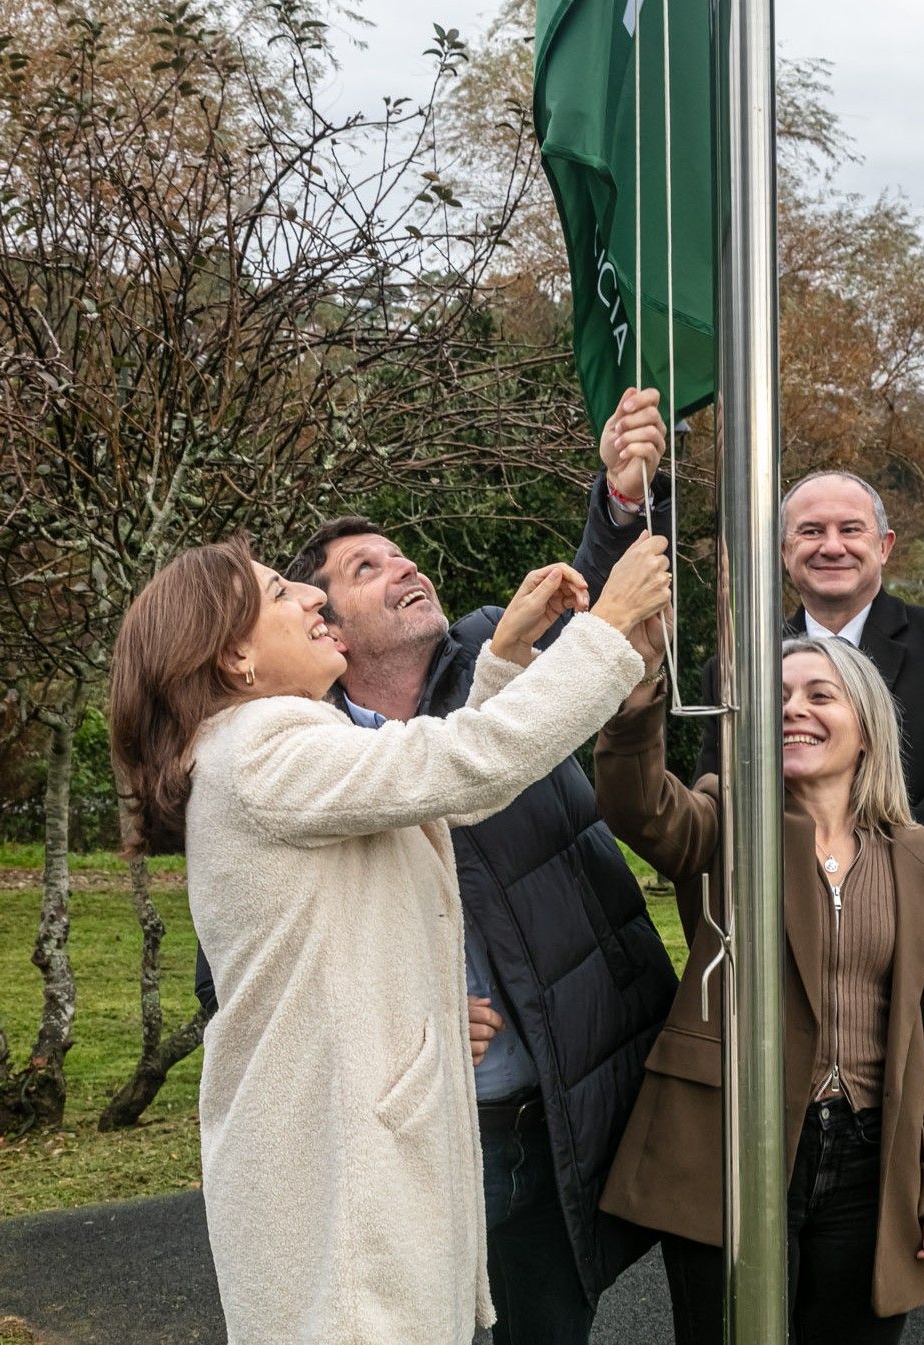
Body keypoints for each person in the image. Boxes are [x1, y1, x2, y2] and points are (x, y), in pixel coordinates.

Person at [191, 388, 680, 1345]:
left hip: (542, 1112)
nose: (398, 568)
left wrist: (620, 503)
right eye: (353, 573)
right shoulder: (284, 748)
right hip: (402, 1139)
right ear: (313, 632)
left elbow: (479, 749)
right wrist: (402, 1005)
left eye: (396, 553)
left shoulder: (470, 659)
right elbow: (469, 759)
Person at [694, 471, 924, 1344]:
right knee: (797, 1225)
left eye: (850, 528)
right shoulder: (736, 663)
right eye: (808, 531)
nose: (830, 544)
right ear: (783, 555)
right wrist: (807, 882)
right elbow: (719, 800)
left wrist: (859, 869)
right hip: (783, 963)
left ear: (884, 546)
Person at [598, 635, 924, 1344]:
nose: (793, 710)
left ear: (865, 726)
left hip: (870, 1162)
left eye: (818, 694)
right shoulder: (723, 824)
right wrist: (641, 679)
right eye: (774, 698)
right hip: (737, 1145)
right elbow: (637, 806)